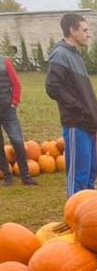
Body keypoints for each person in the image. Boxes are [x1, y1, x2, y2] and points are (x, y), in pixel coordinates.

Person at [45, 13, 97, 196]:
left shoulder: (75, 55)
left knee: (90, 174)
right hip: (76, 124)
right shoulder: (60, 54)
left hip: (88, 122)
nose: (89, 34)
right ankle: (75, 216)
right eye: (84, 30)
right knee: (79, 176)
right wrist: (78, 106)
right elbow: (52, 86)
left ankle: (90, 213)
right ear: (72, 30)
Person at [0, 55, 38, 187]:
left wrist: (14, 102)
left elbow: (16, 83)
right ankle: (7, 176)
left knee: (17, 141)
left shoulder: (5, 62)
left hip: (7, 110)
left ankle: (25, 176)